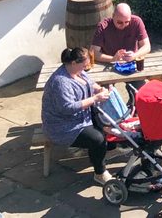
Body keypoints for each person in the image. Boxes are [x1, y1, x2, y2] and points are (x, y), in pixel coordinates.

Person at [41, 47, 113, 186]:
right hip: (63, 127)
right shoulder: (60, 82)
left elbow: (91, 83)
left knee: (108, 125)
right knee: (97, 139)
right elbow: (68, 108)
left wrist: (99, 89)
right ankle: (100, 172)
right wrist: (95, 98)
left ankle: (105, 152)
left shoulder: (78, 72)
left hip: (80, 117)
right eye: (84, 64)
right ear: (73, 62)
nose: (86, 67)